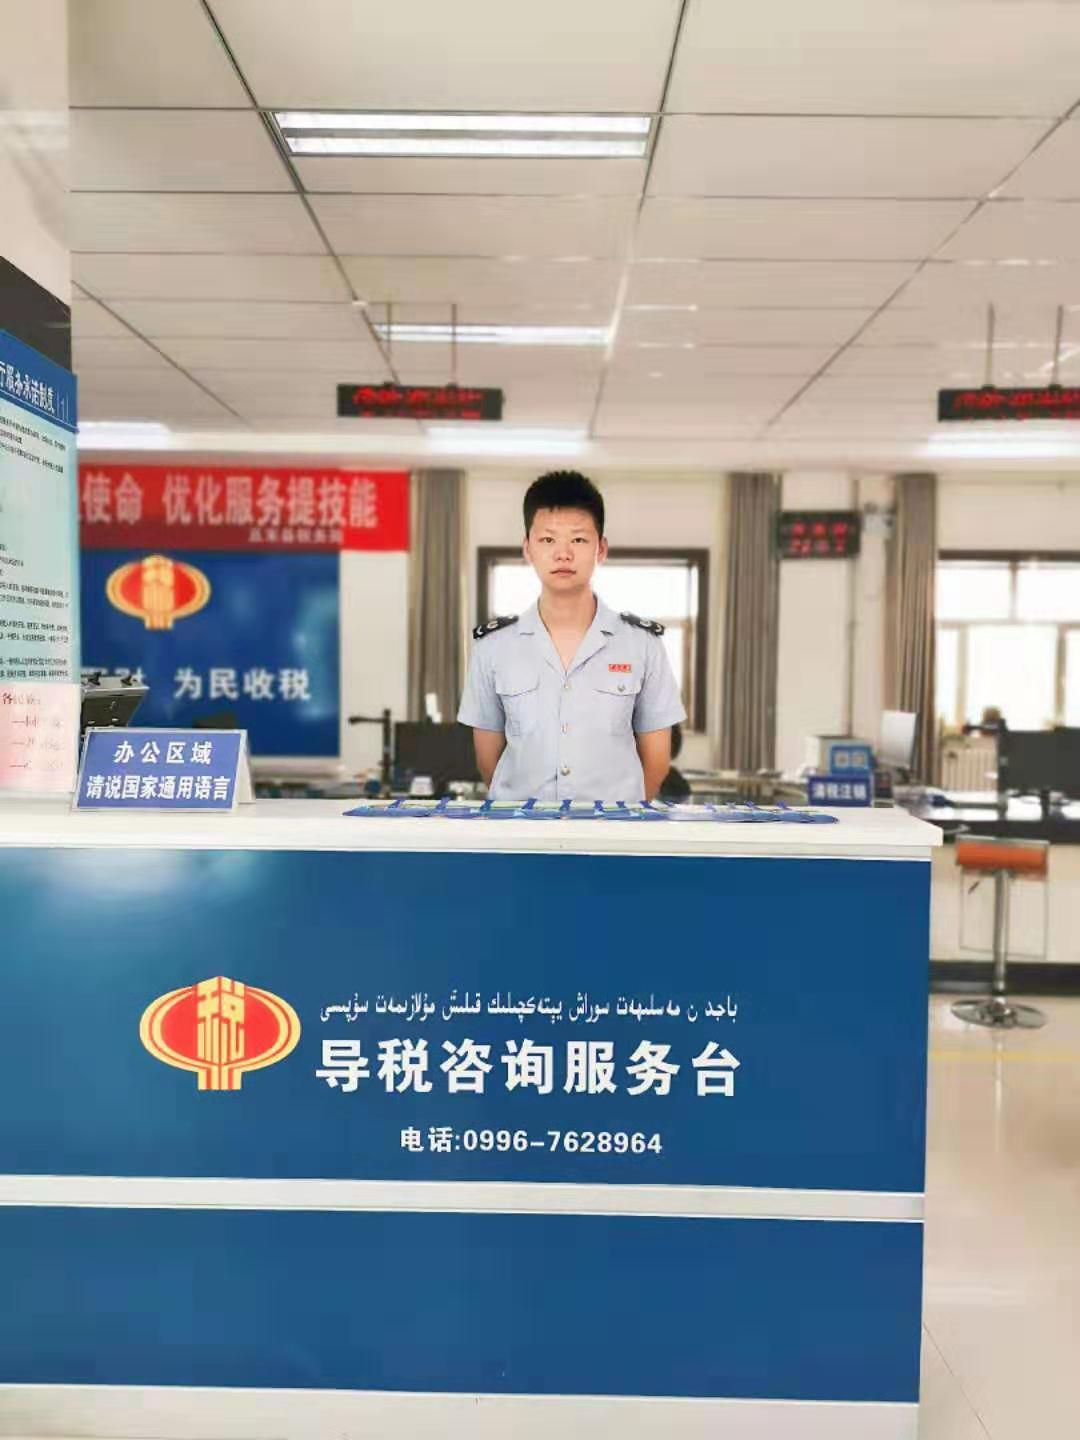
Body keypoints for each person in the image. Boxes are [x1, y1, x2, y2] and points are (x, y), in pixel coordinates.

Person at [458, 470, 686, 801]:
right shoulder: (493, 647)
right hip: (521, 828)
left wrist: (620, 816)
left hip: (613, 829)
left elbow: (657, 760)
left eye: (578, 540)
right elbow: (487, 760)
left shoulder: (642, 645)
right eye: (548, 540)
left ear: (601, 549)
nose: (563, 554)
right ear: (527, 548)